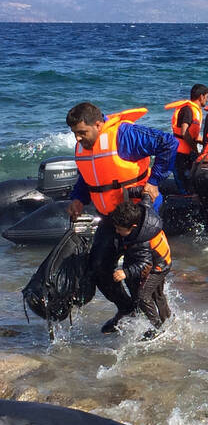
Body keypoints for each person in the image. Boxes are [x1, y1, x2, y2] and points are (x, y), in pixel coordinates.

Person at [66, 103, 178, 334]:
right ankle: (127, 309)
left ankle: (161, 324)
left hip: (139, 218)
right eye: (75, 133)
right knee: (98, 268)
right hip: (110, 219)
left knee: (140, 275)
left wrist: (155, 180)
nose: (78, 139)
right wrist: (78, 198)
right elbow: (89, 177)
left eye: (82, 132)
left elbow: (169, 143)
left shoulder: (125, 135)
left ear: (98, 125)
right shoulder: (85, 147)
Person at [109, 198, 172, 340]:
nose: (117, 231)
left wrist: (125, 272)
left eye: (120, 229)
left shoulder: (141, 241)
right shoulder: (142, 212)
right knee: (156, 295)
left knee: (144, 295)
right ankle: (168, 321)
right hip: (157, 259)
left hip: (159, 266)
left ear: (134, 226)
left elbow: (144, 264)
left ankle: (158, 328)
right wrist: (136, 191)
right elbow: (146, 199)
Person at [166, 83, 208, 194]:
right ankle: (183, 198)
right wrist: (194, 147)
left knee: (191, 177)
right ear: (201, 97)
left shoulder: (194, 110)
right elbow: (184, 132)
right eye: (207, 97)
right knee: (183, 180)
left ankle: (189, 194)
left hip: (186, 151)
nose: (207, 100)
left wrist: (207, 142)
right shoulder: (188, 110)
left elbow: (193, 134)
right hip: (180, 152)